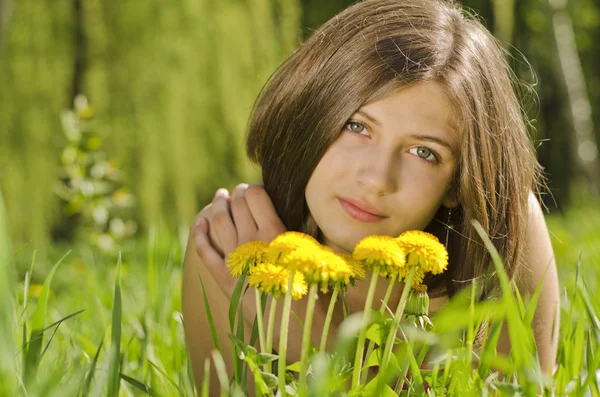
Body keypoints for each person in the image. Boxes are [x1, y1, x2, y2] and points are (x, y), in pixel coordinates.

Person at [182, 0, 559, 394]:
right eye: (356, 126)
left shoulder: (501, 242)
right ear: (310, 116)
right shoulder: (233, 248)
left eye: (424, 153)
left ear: (456, 185)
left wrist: (316, 352)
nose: (377, 179)